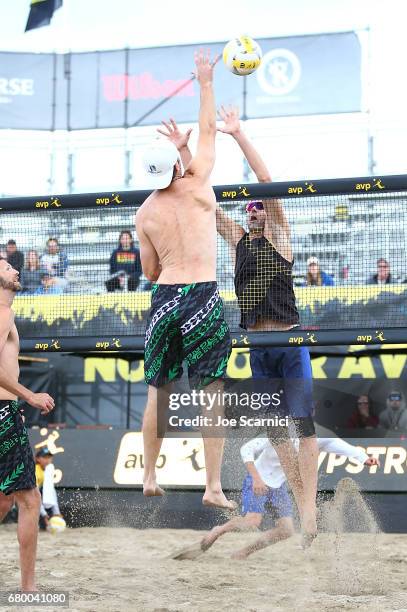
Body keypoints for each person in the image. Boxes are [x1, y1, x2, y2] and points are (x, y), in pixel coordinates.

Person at [160, 107, 319, 542]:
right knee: (275, 430)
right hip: (257, 346)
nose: (255, 212)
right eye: (249, 210)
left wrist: (237, 135)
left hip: (288, 342)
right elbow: (203, 199)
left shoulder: (280, 236)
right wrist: (185, 151)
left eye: (259, 209)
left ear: (267, 214)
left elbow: (267, 183)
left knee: (304, 427)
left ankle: (308, 511)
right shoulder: (238, 244)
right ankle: (303, 499)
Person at [135, 50, 233, 510]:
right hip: (201, 296)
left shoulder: (144, 212)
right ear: (176, 164)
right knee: (210, 390)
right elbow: (210, 130)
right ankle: (212, 486)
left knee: (159, 389)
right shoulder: (197, 186)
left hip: (164, 298)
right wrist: (206, 82)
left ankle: (150, 476)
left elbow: (149, 272)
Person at [171, 435, 379, 561]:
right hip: (257, 480)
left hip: (278, 485)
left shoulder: (311, 436)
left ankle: (243, 553)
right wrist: (256, 478)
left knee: (286, 530)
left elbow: (335, 444)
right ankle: (218, 531)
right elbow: (247, 449)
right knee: (252, 522)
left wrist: (362, 458)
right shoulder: (279, 430)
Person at [0, 258, 55, 591]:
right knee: (30, 500)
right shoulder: (2, 312)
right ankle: (28, 588)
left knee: (6, 499)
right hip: (3, 412)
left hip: (6, 409)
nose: (15, 271)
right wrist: (29, 396)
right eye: (6, 268)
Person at [35, 448, 62, 530]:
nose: (47, 460)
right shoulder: (35, 470)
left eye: (49, 457)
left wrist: (57, 513)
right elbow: (34, 495)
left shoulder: (48, 470)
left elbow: (51, 493)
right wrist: (44, 514)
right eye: (44, 457)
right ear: (38, 459)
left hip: (37, 496)